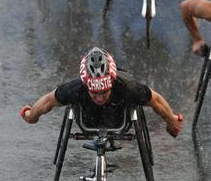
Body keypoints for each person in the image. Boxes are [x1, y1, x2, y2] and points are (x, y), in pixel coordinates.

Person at [20, 47, 183, 137]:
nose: (99, 97)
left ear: (111, 82)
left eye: (104, 92)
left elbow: (156, 101)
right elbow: (48, 101)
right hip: (87, 120)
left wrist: (171, 121)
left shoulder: (126, 86)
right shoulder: (76, 87)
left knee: (137, 95)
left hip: (118, 118)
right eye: (94, 92)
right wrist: (32, 116)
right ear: (87, 85)